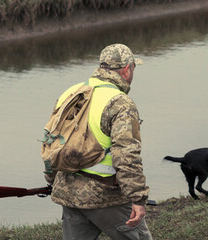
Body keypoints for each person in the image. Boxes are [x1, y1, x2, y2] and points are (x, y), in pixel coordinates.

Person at [45, 43, 152, 240]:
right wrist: (137, 198)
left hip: (68, 193)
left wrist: (51, 180)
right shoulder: (120, 102)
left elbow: (50, 143)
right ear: (127, 69)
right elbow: (127, 156)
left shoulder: (71, 93)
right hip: (106, 197)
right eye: (134, 68)